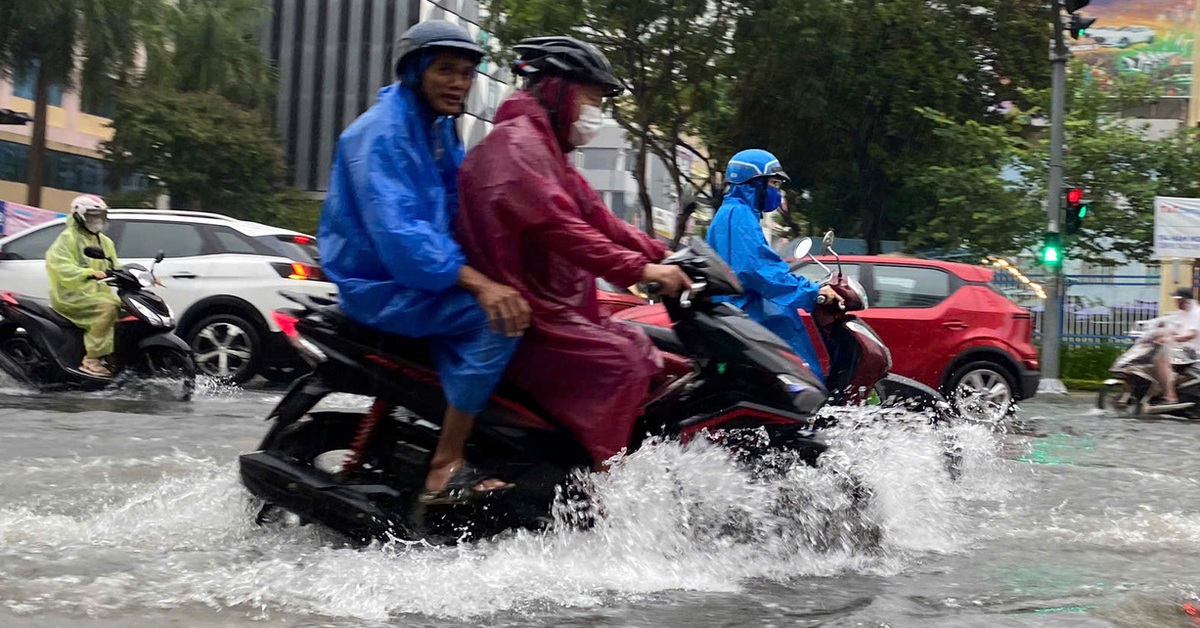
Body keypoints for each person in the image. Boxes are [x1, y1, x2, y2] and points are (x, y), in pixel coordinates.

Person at [318, 20, 531, 503]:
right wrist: (482, 285)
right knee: (499, 320)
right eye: (446, 70)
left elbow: (459, 207)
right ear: (415, 71)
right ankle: (445, 462)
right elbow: (403, 237)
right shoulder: (380, 135)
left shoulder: (435, 129)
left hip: (415, 276)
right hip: (383, 283)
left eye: (467, 73)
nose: (459, 83)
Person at [454, 36, 691, 470]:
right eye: (592, 97)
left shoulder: (547, 150)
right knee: (622, 365)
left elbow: (599, 217)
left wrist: (668, 253)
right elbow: (565, 229)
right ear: (556, 89)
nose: (595, 112)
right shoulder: (517, 146)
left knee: (650, 354)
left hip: (557, 305)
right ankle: (600, 487)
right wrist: (644, 269)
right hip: (529, 312)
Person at [705, 149, 841, 382]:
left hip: (748, 313)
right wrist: (813, 290)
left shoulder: (739, 213)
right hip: (747, 316)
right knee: (800, 379)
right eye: (773, 184)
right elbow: (758, 271)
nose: (776, 191)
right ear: (754, 184)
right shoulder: (737, 215)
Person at [45, 194, 122, 377]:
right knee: (108, 308)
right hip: (71, 297)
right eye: (92, 216)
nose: (97, 220)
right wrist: (88, 273)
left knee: (127, 309)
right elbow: (60, 266)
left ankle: (113, 356)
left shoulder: (104, 242)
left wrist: (136, 276)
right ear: (79, 215)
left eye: (100, 216)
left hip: (96, 295)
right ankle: (91, 360)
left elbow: (115, 266)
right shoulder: (67, 238)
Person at [1147, 287, 1200, 412]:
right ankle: (1156, 391)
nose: (1175, 302)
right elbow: (1169, 326)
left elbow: (1191, 335)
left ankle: (1170, 397)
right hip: (1182, 350)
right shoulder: (1183, 314)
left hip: (1193, 352)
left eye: (1177, 300)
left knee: (1161, 359)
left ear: (1185, 301)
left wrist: (1170, 338)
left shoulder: (1196, 313)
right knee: (1152, 356)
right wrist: (1152, 333)